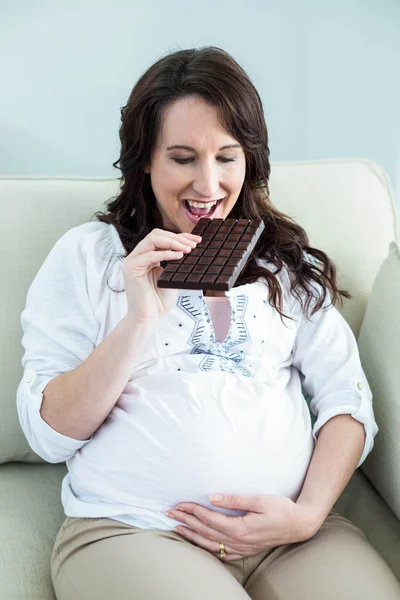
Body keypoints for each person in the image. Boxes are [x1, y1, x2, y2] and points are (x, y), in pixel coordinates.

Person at [17, 46, 400, 600]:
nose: (208, 184)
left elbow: (347, 402)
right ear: (143, 159)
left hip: (292, 534)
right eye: (182, 157)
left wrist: (307, 515)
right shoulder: (86, 256)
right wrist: (138, 317)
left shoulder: (285, 265)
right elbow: (49, 434)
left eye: (227, 157)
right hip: (135, 529)